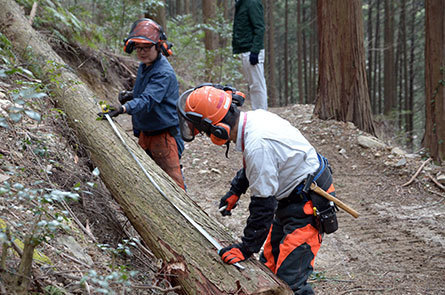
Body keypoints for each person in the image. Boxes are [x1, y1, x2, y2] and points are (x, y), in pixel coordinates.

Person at [176, 85, 338, 295]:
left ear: (217, 130)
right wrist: (237, 189)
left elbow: (263, 206)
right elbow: (257, 166)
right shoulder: (254, 120)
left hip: (308, 205)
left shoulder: (257, 144)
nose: (207, 136)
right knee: (269, 267)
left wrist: (246, 248)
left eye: (206, 132)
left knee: (290, 283)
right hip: (292, 197)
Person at [98, 18, 185, 190]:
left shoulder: (163, 73)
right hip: (147, 134)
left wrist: (123, 108)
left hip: (163, 137)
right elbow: (146, 93)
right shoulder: (145, 66)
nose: (141, 52)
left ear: (158, 47)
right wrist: (131, 95)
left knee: (174, 187)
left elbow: (149, 100)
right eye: (138, 48)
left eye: (146, 48)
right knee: (147, 182)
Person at [232, 0, 268, 110]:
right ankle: (258, 112)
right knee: (253, 85)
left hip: (252, 51)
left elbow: (259, 27)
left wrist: (255, 51)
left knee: (257, 85)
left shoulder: (252, 2)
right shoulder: (242, 3)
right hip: (246, 50)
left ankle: (262, 115)